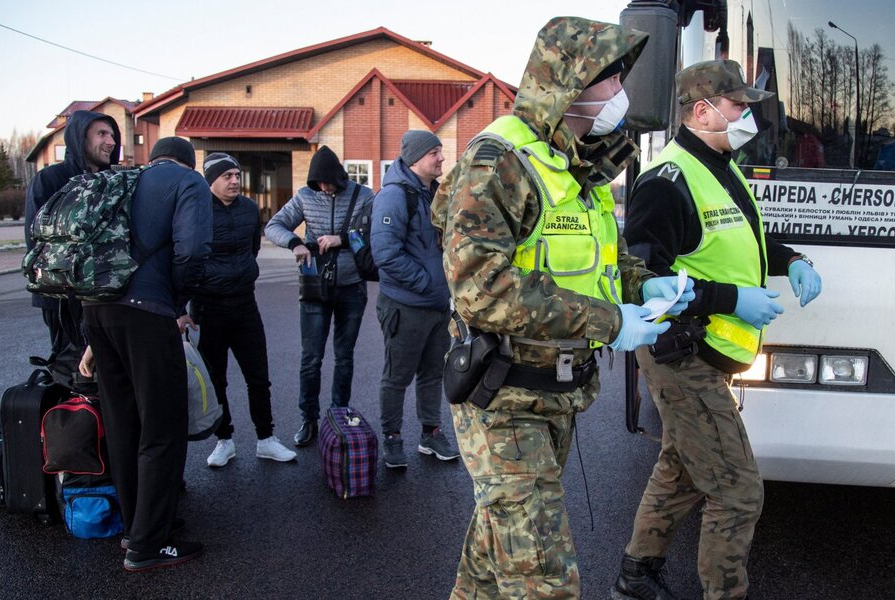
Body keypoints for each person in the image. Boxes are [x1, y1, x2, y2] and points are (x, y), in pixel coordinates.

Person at [431, 17, 693, 598]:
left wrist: (646, 286)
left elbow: (606, 264)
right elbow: (480, 287)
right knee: (544, 580)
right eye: (607, 79)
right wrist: (611, 321)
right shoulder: (498, 162)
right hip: (503, 399)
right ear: (566, 82)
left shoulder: (578, 168)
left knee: (491, 555)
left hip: (556, 395)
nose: (619, 93)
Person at [612, 60, 824, 600]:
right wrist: (731, 300)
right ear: (702, 110)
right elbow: (642, 280)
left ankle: (636, 576)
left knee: (681, 469)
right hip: (682, 354)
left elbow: (740, 241)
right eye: (737, 106)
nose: (748, 115)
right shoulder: (667, 181)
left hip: (706, 350)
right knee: (737, 492)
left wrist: (791, 258)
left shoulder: (720, 163)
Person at [78, 136, 212, 572]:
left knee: (123, 424)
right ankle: (150, 544)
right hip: (147, 312)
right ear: (188, 161)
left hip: (97, 312)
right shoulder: (187, 183)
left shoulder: (121, 180)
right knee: (162, 427)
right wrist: (176, 302)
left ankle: (134, 529)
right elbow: (191, 250)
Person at [179, 153, 296, 467]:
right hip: (207, 308)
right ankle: (224, 440)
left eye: (236, 175)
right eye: (227, 176)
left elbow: (252, 249)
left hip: (245, 305)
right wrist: (179, 307)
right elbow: (184, 258)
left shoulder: (248, 208)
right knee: (216, 379)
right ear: (211, 180)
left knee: (258, 377)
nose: (234, 181)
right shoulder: (195, 210)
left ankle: (266, 439)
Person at [265, 146, 373, 447]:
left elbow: (376, 231)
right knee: (311, 358)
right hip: (315, 287)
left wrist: (342, 239)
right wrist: (294, 242)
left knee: (344, 357)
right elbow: (273, 225)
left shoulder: (364, 196)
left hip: (352, 286)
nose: (324, 188)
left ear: (338, 176)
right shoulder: (305, 196)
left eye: (327, 182)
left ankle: (339, 416)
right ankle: (308, 418)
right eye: (318, 184)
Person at [371, 130, 458, 469]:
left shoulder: (431, 193)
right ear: (415, 158)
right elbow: (385, 253)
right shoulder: (394, 196)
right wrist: (426, 283)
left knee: (433, 373)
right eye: (435, 152)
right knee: (397, 376)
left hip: (437, 306)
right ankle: (391, 438)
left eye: (440, 151)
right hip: (405, 306)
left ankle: (431, 433)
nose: (441, 158)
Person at [24, 110, 120, 361]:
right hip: (61, 297)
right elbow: (35, 239)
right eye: (101, 133)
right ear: (80, 138)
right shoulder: (50, 179)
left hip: (104, 296)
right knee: (70, 366)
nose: (110, 141)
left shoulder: (113, 181)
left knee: (110, 369)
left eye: (112, 134)